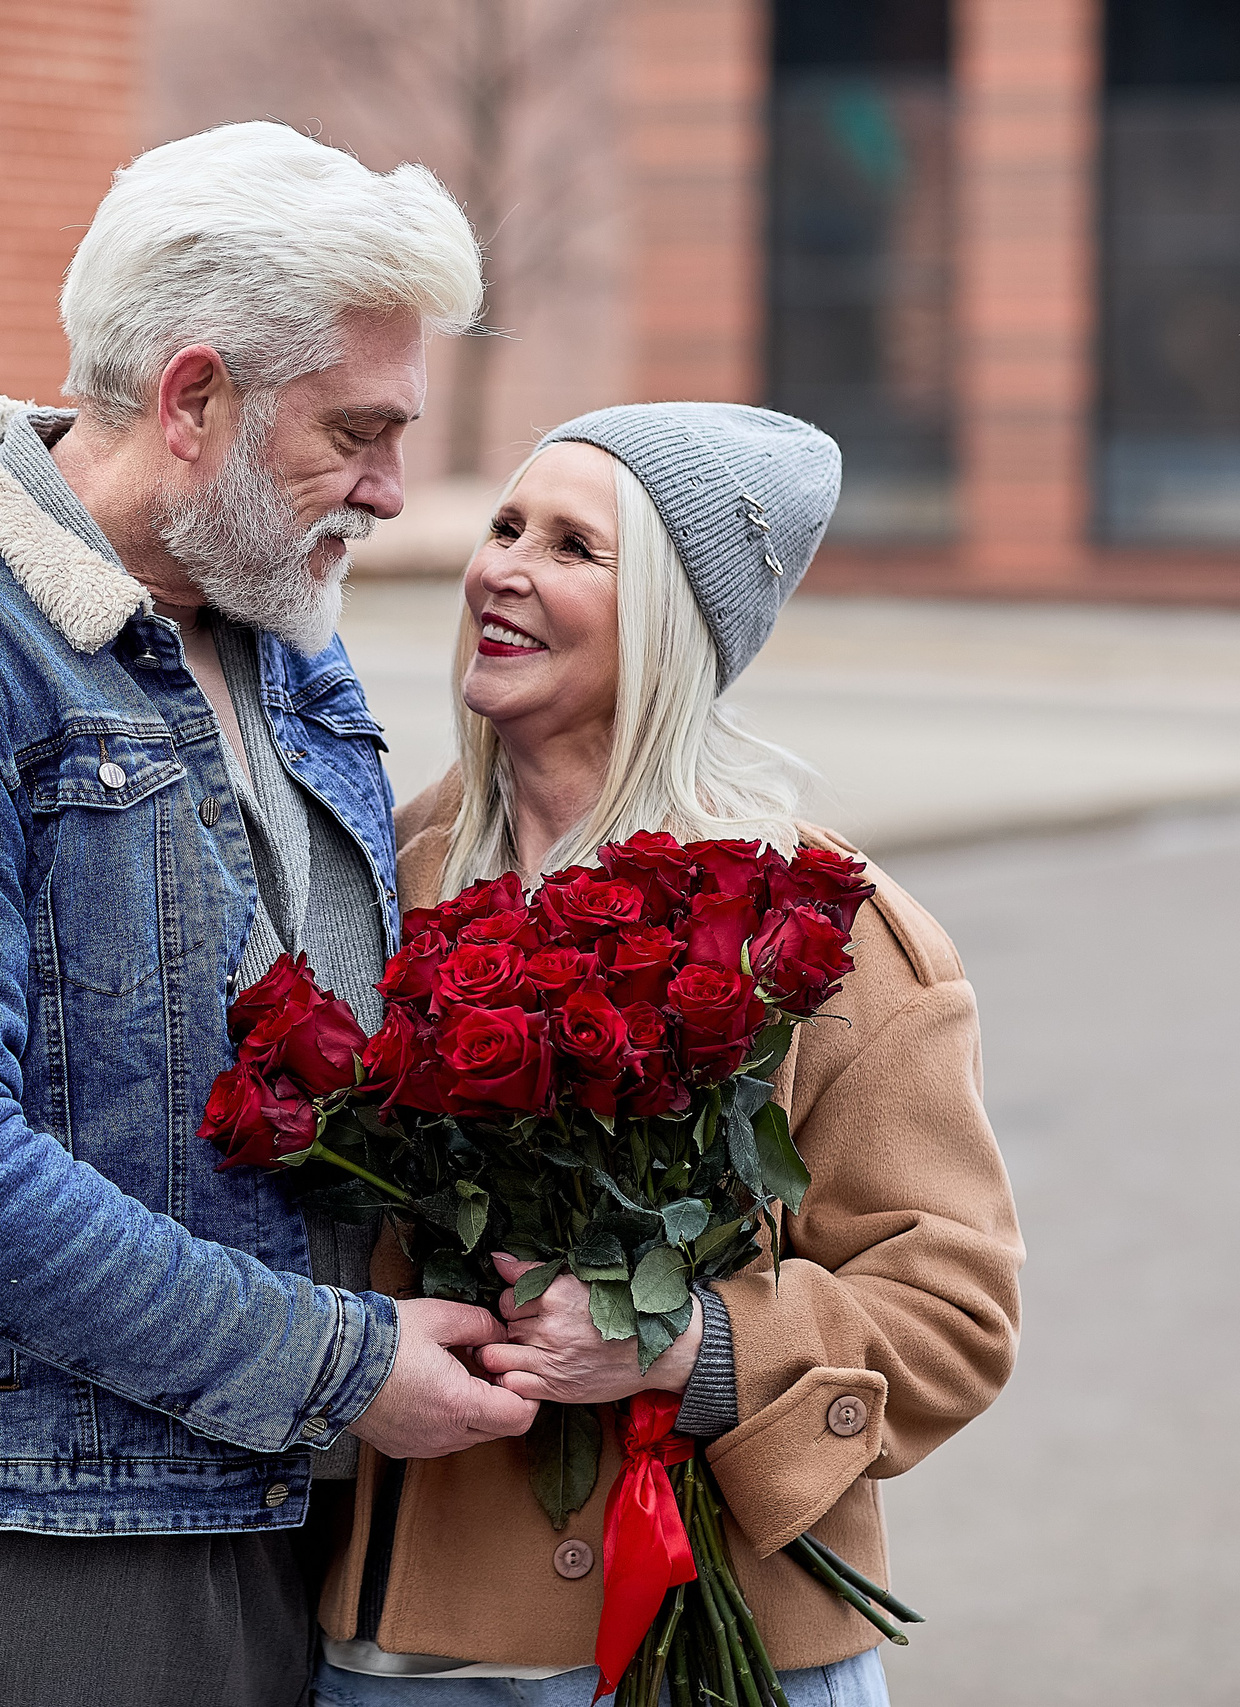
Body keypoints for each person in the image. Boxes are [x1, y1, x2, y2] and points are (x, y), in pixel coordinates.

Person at [0, 121, 538, 1707]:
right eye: (357, 431)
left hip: (293, 1501)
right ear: (193, 400)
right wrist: (346, 1365)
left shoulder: (271, 610)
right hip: (55, 1547)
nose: (390, 490)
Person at [307, 406, 1024, 1703]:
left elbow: (953, 1316)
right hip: (411, 1652)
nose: (502, 567)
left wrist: (685, 1349)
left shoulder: (825, 935)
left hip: (717, 1640)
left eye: (575, 545)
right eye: (508, 525)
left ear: (673, 626)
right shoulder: (375, 875)